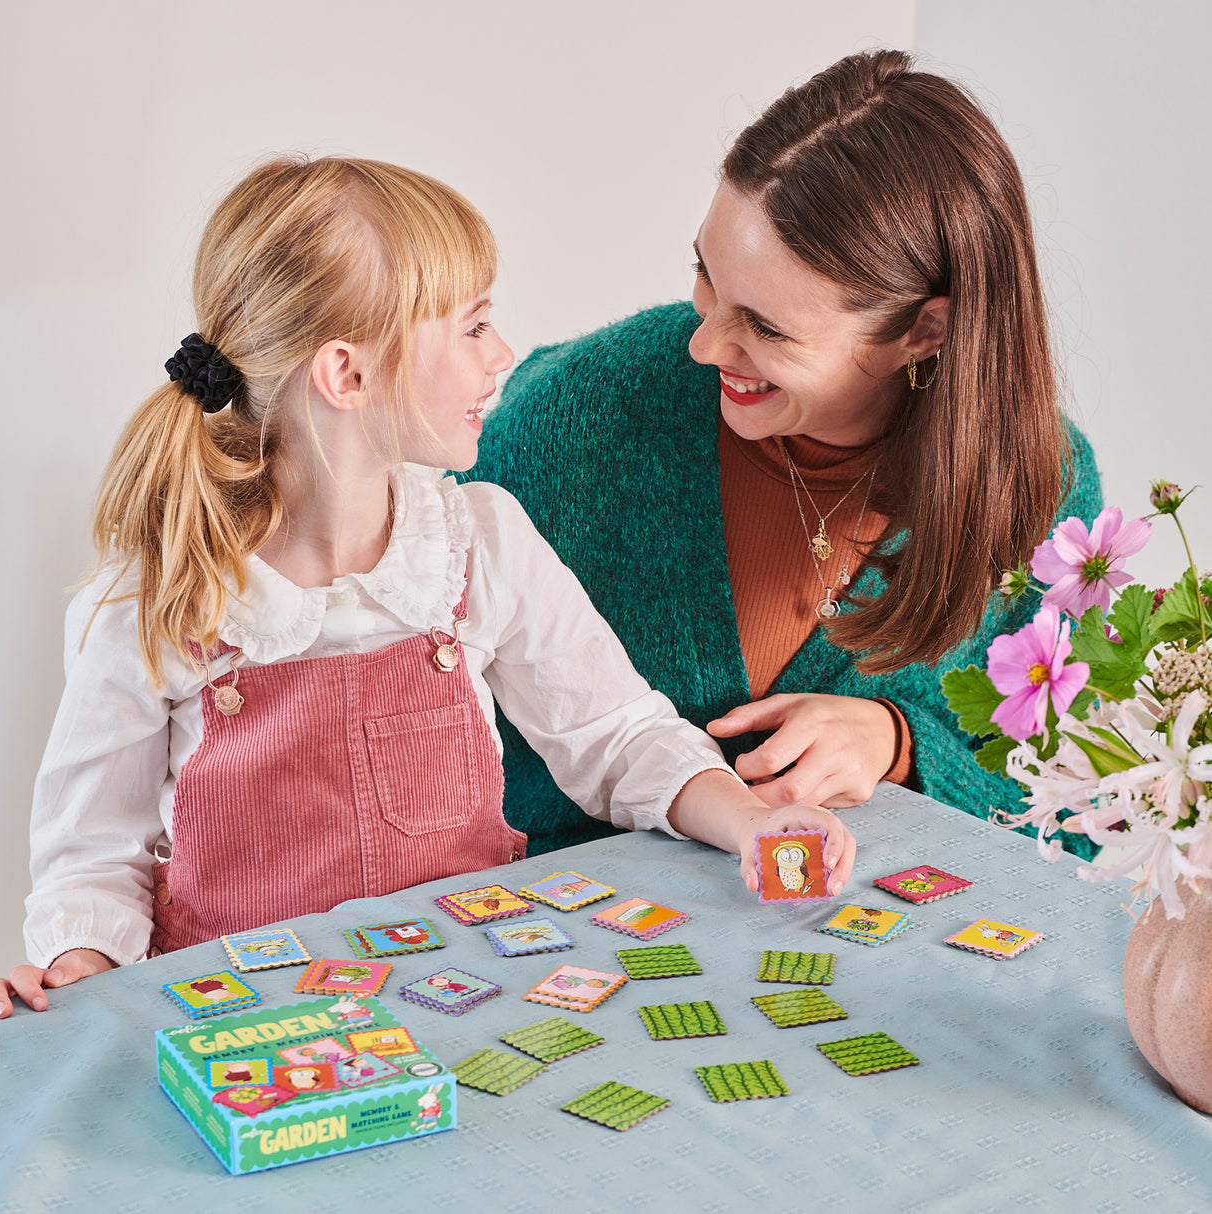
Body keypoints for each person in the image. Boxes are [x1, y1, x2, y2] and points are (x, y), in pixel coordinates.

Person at [0, 157, 856, 1018]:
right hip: (245, 1028)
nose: (505, 355)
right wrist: (76, 972)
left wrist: (749, 822)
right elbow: (93, 857)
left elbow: (617, 737)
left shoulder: (477, 544)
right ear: (349, 375)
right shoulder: (158, 599)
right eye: (473, 327)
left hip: (472, 1001)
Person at [468, 49, 1102, 859]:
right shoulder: (581, 415)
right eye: (706, 276)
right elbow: (405, 685)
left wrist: (901, 743)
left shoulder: (1043, 494)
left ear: (926, 331)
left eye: (766, 328)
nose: (705, 345)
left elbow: (1081, 812)